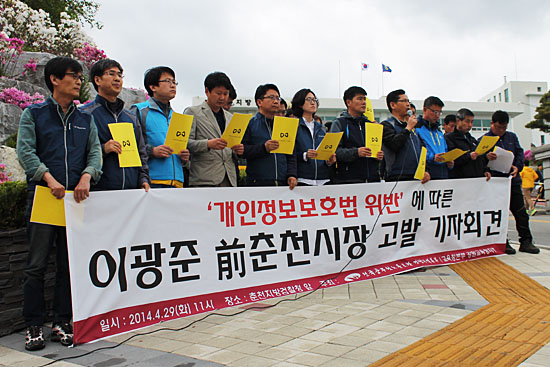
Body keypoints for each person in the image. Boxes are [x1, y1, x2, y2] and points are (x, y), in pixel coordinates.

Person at [16, 56, 102, 350]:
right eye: (73, 75)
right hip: (44, 197)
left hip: (74, 201)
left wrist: (88, 176)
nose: (79, 81)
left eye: (81, 76)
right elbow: (26, 152)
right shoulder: (35, 114)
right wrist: (47, 177)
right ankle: (33, 325)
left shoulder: (85, 119)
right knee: (36, 265)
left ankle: (62, 322)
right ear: (54, 79)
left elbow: (95, 154)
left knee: (69, 264)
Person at [81, 59, 150, 191]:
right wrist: (103, 149)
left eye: (119, 75)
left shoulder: (130, 117)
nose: (117, 79)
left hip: (130, 192)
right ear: (97, 80)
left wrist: (143, 179)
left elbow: (141, 152)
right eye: (111, 74)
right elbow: (77, 152)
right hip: (99, 192)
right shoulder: (85, 114)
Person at [485, 110, 539, 254]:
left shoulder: (512, 137)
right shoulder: (485, 140)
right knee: (499, 214)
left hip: (512, 180)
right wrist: (486, 157)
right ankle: (504, 242)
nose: (501, 131)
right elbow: (479, 160)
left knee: (520, 212)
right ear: (492, 124)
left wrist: (517, 166)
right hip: (495, 183)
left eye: (504, 128)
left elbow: (520, 154)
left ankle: (526, 241)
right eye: (498, 128)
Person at [131, 67, 189, 188]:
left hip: (177, 182)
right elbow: (131, 145)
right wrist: (152, 151)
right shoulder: (139, 110)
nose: (173, 85)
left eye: (174, 82)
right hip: (152, 181)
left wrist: (184, 157)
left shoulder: (178, 117)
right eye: (168, 81)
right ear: (153, 87)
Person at [184, 72, 242, 187]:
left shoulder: (230, 117)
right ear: (207, 91)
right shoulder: (192, 112)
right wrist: (208, 144)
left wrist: (238, 150)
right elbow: (186, 143)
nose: (222, 97)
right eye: (218, 93)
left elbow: (230, 149)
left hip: (229, 178)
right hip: (204, 179)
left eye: (225, 94)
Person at [241, 84, 297, 188]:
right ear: (259, 102)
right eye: (271, 97)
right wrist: (264, 148)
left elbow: (291, 155)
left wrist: (292, 175)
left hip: (283, 184)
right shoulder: (250, 124)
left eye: (277, 98)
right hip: (258, 184)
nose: (276, 101)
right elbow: (243, 151)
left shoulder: (285, 125)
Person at [330, 86, 383, 184]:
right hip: (349, 181)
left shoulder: (371, 124)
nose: (364, 102)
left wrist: (378, 156)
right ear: (348, 102)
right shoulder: (339, 123)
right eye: (359, 99)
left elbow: (376, 150)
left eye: (364, 99)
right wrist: (356, 152)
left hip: (372, 180)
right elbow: (334, 151)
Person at [381, 89, 430, 183]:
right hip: (397, 177)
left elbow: (422, 150)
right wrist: (408, 128)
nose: (408, 104)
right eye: (404, 101)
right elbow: (394, 145)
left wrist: (426, 170)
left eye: (408, 101)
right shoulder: (387, 125)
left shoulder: (412, 128)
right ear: (393, 105)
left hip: (416, 176)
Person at [290, 88, 335, 185]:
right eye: (309, 100)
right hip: (303, 179)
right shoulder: (294, 126)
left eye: (314, 100)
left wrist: (329, 161)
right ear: (300, 103)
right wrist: (305, 155)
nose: (313, 103)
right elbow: (288, 154)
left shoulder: (322, 128)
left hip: (324, 180)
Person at [444, 108, 490, 180]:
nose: (470, 125)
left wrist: (485, 170)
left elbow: (480, 158)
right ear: (458, 121)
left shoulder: (472, 139)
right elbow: (452, 159)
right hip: (461, 181)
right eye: (467, 122)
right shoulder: (449, 138)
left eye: (472, 122)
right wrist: (469, 156)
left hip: (477, 179)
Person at [416, 96, 453, 179]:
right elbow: (416, 152)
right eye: (435, 112)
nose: (437, 116)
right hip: (427, 175)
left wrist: (449, 162)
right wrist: (432, 157)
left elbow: (445, 150)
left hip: (443, 174)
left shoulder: (439, 131)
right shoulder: (416, 128)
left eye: (440, 112)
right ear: (425, 109)